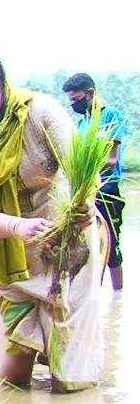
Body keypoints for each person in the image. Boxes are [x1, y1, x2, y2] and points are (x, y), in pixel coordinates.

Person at [0, 50, 103, 392]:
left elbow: (80, 168)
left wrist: (84, 206)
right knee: (12, 374)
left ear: (3, 85)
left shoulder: (40, 112)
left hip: (67, 242)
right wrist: (18, 227)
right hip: (11, 248)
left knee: (69, 367)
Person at [62, 72, 128, 290]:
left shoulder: (111, 116)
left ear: (90, 93)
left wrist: (81, 170)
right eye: (70, 101)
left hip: (107, 190)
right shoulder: (81, 124)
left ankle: (117, 296)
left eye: (77, 99)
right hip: (83, 194)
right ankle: (92, 299)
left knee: (111, 248)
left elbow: (110, 160)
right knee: (84, 249)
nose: (74, 104)